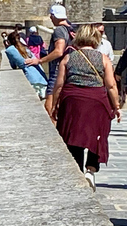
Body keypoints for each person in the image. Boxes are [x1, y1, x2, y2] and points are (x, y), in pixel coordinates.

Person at [50, 24, 121, 191]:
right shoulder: (103, 58)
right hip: (96, 99)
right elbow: (111, 85)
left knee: (73, 135)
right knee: (97, 133)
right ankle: (91, 169)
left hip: (72, 99)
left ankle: (77, 170)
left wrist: (54, 105)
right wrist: (116, 106)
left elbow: (59, 85)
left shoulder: (68, 58)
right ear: (95, 39)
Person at [25, 4, 75, 115]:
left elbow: (59, 51)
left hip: (58, 70)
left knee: (50, 107)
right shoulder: (71, 28)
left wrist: (39, 61)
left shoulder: (59, 30)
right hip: (70, 69)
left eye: (51, 16)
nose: (51, 18)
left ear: (54, 16)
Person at [5, 30, 48, 99]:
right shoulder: (26, 49)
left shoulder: (10, 50)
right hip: (42, 78)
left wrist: (7, 46)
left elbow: (14, 65)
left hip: (32, 79)